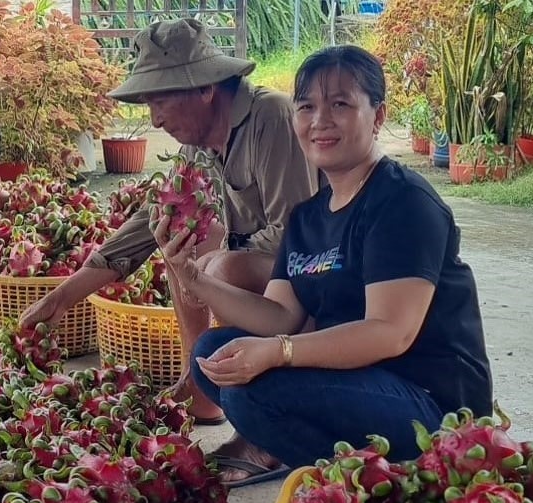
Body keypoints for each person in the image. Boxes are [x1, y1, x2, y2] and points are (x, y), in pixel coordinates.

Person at [154, 44, 494, 487]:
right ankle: (350, 478)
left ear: (378, 115)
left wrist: (279, 352)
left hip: (431, 402)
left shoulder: (402, 201)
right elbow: (279, 315)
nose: (320, 121)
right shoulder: (309, 216)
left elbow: (391, 331)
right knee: (212, 355)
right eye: (307, 106)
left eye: (340, 104)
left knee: (252, 394)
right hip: (358, 383)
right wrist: (192, 277)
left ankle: (398, 480)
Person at [18, 18, 318, 426]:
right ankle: (199, 381)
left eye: (160, 102)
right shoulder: (198, 143)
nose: (155, 120)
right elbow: (151, 219)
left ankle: (249, 394)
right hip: (264, 284)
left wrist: (209, 273)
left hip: (314, 287)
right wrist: (63, 298)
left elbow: (297, 237)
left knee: (219, 265)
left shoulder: (271, 117)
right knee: (179, 234)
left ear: (205, 89)